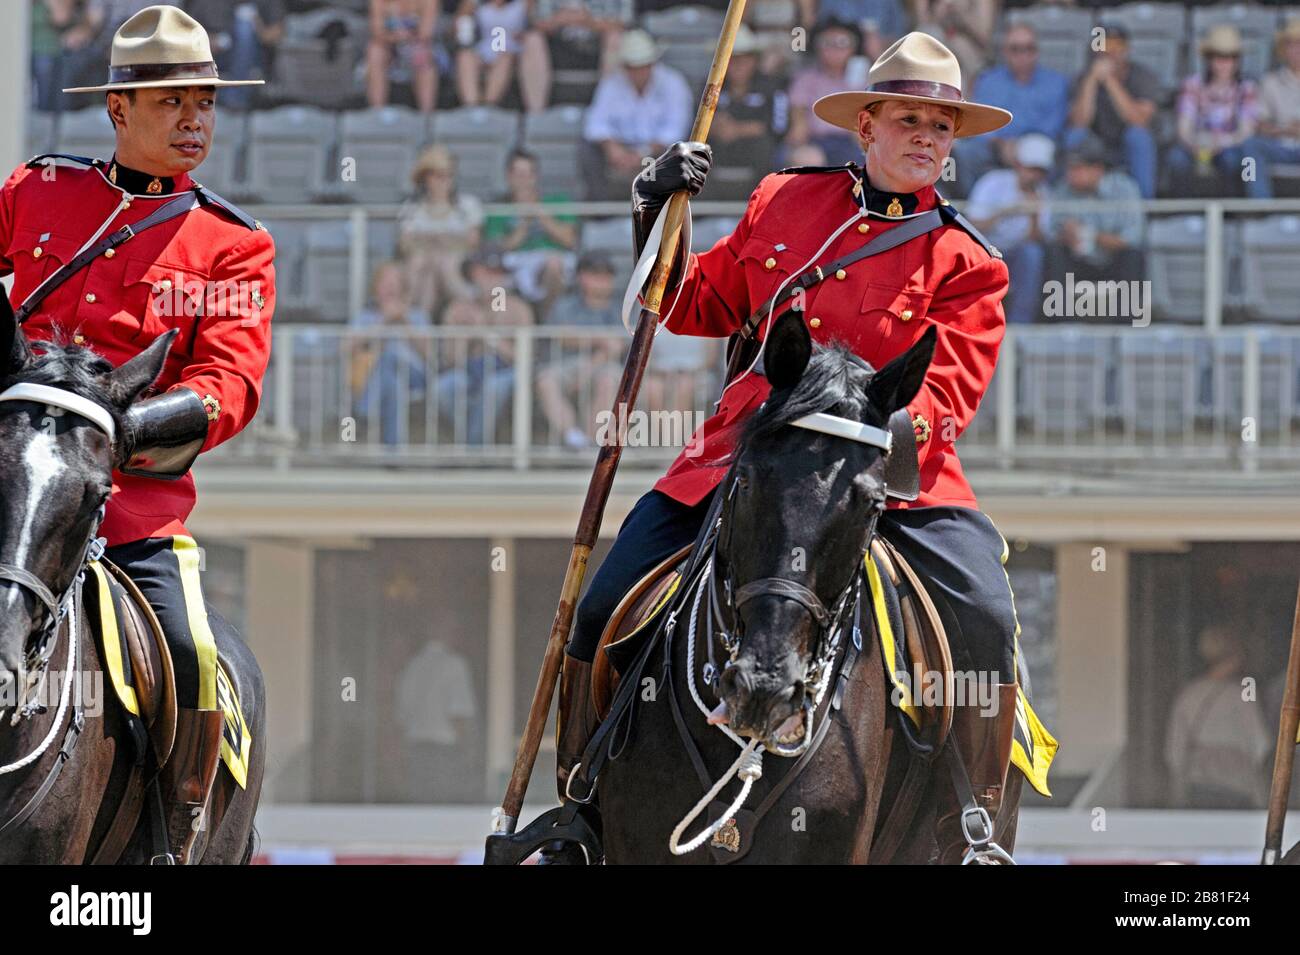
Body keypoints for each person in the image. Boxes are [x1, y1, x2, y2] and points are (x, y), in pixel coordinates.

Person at [553, 32, 1030, 864]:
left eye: (943, 127)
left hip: (887, 475)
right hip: (745, 459)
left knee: (987, 622)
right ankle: (579, 811)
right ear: (868, 125)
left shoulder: (968, 262)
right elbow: (694, 301)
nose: (927, 137)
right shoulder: (785, 201)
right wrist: (655, 211)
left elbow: (945, 399)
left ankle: (975, 826)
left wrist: (855, 448)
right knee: (603, 605)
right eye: (910, 118)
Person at [1, 5, 272, 864]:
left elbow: (229, 385)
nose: (196, 121)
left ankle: (175, 832)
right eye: (173, 102)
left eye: (206, 103)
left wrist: (119, 431)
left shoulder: (232, 244)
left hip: (131, 504)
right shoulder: (35, 193)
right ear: (119, 111)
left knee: (192, 656)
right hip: (14, 487)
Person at [1165, 625, 1272, 809]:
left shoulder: (1188, 694)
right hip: (1237, 785)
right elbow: (1261, 744)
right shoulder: (1242, 695)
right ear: (1235, 655)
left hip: (1197, 783)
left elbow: (1174, 751)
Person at [954, 24, 1070, 194]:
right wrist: (1000, 143)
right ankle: (974, 209)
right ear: (1005, 52)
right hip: (997, 144)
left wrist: (1018, 144)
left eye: (1029, 49)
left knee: (1041, 150)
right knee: (966, 152)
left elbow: (1053, 127)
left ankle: (1040, 210)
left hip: (1036, 141)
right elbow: (980, 121)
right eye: (1016, 49)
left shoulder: (1055, 82)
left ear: (1037, 52)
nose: (1023, 55)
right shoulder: (988, 81)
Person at [580, 29, 692, 199]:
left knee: (680, 154)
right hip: (621, 147)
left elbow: (675, 130)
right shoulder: (612, 83)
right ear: (624, 66)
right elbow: (595, 123)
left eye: (643, 65)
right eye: (632, 67)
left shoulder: (673, 83)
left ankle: (665, 211)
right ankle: (601, 211)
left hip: (657, 151)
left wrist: (641, 153)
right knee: (588, 150)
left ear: (653, 63)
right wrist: (613, 148)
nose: (638, 72)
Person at [438, 245, 533, 444]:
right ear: (473, 274)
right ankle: (473, 441)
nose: (491, 278)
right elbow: (450, 359)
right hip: (468, 370)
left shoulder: (518, 308)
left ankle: (472, 449)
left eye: (497, 272)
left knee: (494, 387)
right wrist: (466, 335)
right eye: (485, 272)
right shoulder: (458, 308)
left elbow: (526, 360)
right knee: (445, 387)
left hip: (506, 371)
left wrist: (487, 334)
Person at [536, 251, 623, 450]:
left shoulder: (622, 307)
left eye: (606, 274)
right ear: (580, 277)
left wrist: (589, 365)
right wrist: (598, 339)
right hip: (566, 364)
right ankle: (574, 438)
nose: (601, 280)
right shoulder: (565, 305)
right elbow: (561, 336)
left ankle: (592, 443)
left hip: (605, 365)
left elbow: (617, 346)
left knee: (609, 380)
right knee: (545, 381)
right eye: (594, 274)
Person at [965, 133, 1054, 324]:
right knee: (975, 251)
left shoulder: (1042, 193)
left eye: (1040, 171)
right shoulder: (994, 182)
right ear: (1018, 165)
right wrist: (1005, 213)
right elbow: (972, 225)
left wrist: (1034, 216)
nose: (1034, 175)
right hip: (987, 248)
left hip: (1016, 254)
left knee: (1032, 254)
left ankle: (1020, 326)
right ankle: (975, 323)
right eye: (1031, 169)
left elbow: (1037, 239)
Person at [1065, 22, 1160, 199]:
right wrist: (1092, 81)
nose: (1111, 52)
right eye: (1104, 45)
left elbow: (1139, 120)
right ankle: (1071, 204)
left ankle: (1144, 207)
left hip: (1126, 145)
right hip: (1096, 145)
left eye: (1116, 45)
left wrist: (1110, 82)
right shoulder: (1082, 78)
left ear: (1127, 49)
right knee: (1074, 136)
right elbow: (1079, 122)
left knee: (1138, 136)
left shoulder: (1143, 76)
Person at [1044, 133, 1145, 292]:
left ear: (1097, 169)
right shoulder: (1063, 189)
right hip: (1076, 260)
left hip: (1113, 259)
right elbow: (1051, 233)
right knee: (1054, 252)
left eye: (1077, 168)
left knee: (1133, 256)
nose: (1070, 174)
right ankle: (1059, 316)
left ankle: (1127, 317)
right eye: (1069, 168)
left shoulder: (1124, 188)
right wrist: (1066, 235)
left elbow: (1133, 238)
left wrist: (1091, 235)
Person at [1166, 25, 1258, 197]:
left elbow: (1246, 132)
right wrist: (1196, 143)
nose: (1223, 64)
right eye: (1218, 57)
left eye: (1229, 58)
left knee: (1236, 161)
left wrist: (1220, 143)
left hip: (1230, 145)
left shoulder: (1247, 88)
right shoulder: (1192, 84)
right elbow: (1184, 126)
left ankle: (1231, 214)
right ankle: (1182, 212)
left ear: (1237, 61)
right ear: (1208, 59)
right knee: (1176, 160)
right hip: (1195, 143)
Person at [484, 149, 578, 308]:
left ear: (536, 176)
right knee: (494, 279)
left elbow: (569, 240)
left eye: (528, 174)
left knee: (554, 265)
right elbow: (499, 249)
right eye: (518, 174)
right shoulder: (499, 208)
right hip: (515, 262)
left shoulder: (557, 201)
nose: (524, 180)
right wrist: (524, 221)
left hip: (551, 260)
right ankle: (499, 326)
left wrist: (539, 212)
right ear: (508, 176)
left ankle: (548, 322)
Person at [350, 261, 430, 447]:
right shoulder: (366, 316)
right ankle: (394, 452)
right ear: (376, 289)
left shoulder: (417, 315)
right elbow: (346, 347)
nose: (390, 289)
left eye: (395, 284)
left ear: (403, 288)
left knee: (389, 356)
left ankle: (364, 412)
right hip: (378, 378)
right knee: (393, 385)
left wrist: (405, 322)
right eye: (385, 284)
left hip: (416, 376)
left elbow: (430, 354)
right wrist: (383, 322)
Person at [398, 144, 483, 319]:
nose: (444, 181)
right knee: (422, 264)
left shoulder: (467, 205)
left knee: (444, 263)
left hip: (458, 265)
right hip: (424, 266)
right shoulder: (411, 208)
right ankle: (418, 319)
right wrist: (440, 243)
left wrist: (436, 242)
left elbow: (473, 242)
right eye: (438, 176)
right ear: (426, 179)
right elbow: (405, 244)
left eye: (448, 175)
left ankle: (474, 304)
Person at [709, 24, 789, 186]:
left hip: (757, 152)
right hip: (719, 148)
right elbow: (695, 122)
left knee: (766, 147)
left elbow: (778, 127)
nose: (738, 65)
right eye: (731, 58)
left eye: (744, 58)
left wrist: (739, 129)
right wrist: (716, 126)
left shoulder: (771, 86)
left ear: (754, 60)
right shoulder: (710, 85)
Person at [518, 0, 632, 112]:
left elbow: (626, 23)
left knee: (616, 39)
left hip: (598, 47)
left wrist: (590, 22)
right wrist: (558, 19)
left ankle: (609, 114)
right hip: (555, 48)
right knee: (532, 40)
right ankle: (536, 118)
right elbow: (531, 23)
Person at [785, 18, 867, 167]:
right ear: (817, 46)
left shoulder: (863, 78)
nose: (834, 49)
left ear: (854, 48)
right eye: (827, 43)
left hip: (849, 141)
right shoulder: (806, 78)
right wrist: (799, 144)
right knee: (808, 159)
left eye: (842, 43)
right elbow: (798, 120)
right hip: (815, 141)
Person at [1242, 19, 1300, 200]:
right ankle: (1258, 204)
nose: (1297, 50)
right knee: (1249, 148)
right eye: (1292, 45)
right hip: (1279, 144)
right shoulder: (1270, 81)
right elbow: (1260, 123)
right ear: (1284, 50)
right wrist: (1284, 130)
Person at [366, 0, 441, 113]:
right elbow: (377, 33)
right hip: (390, 47)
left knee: (423, 54)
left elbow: (426, 34)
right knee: (374, 51)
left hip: (420, 46)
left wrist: (406, 38)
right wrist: (396, 37)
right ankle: (377, 111)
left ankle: (427, 114)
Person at [454, 0, 529, 107]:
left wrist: (523, 34)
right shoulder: (476, 2)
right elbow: (457, 27)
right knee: (465, 56)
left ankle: (489, 106)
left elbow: (534, 25)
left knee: (505, 58)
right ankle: (471, 107)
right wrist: (464, 17)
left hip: (512, 49)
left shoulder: (524, 3)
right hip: (485, 48)